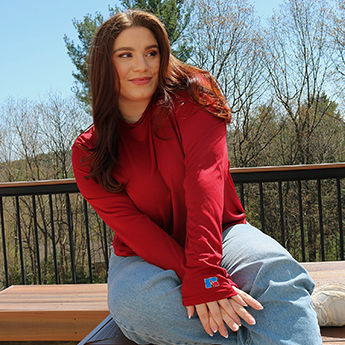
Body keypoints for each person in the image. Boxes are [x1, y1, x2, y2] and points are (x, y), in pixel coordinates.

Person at [72, 9, 322, 345]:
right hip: (142, 253)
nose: (141, 66)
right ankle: (282, 323)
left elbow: (205, 181)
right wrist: (199, 279)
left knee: (276, 271)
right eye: (125, 55)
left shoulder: (195, 96)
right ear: (105, 64)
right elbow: (135, 228)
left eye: (151, 52)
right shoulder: (89, 150)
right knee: (141, 306)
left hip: (221, 231)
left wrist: (206, 271)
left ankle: (284, 316)